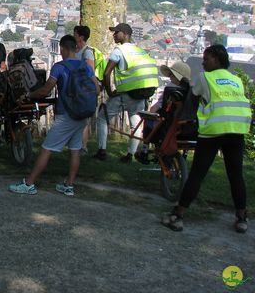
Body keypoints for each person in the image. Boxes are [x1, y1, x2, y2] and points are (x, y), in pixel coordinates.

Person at [162, 45, 251, 233]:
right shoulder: (236, 80)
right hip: (237, 130)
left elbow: (192, 96)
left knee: (197, 174)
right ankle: (242, 217)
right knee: (235, 175)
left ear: (217, 59)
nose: (203, 62)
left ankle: (177, 215)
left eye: (206, 58)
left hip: (213, 131)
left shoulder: (205, 78)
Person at [9, 35, 99, 197]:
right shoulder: (86, 67)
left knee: (46, 149)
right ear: (76, 48)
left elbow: (46, 90)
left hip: (66, 114)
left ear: (62, 48)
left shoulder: (59, 67)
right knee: (75, 150)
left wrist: (30, 95)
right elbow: (97, 88)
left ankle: (29, 183)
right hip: (82, 114)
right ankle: (69, 185)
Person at [94, 23, 159, 162]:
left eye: (116, 32)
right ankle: (130, 154)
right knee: (136, 124)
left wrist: (110, 92)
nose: (114, 35)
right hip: (142, 93)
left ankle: (102, 150)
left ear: (125, 34)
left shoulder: (119, 50)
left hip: (125, 93)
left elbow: (106, 74)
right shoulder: (140, 50)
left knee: (102, 118)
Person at [73, 25, 97, 156]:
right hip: (75, 87)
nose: (73, 35)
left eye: (75, 34)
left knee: (83, 120)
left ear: (81, 37)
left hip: (82, 88)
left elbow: (90, 71)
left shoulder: (87, 52)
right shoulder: (77, 50)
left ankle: (83, 146)